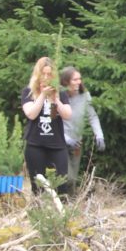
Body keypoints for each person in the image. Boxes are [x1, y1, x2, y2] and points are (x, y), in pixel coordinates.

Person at [21, 57, 72, 194]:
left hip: (57, 145)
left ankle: (61, 213)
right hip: (35, 145)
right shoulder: (29, 92)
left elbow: (67, 114)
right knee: (38, 187)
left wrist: (55, 99)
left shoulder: (60, 93)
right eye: (43, 74)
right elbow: (31, 114)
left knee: (61, 185)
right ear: (37, 75)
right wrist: (42, 96)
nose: (45, 77)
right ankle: (39, 212)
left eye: (49, 74)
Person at [60, 66, 105, 183]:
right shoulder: (58, 96)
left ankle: (72, 201)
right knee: (66, 177)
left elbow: (92, 116)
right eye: (75, 79)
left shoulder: (85, 95)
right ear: (65, 81)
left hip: (77, 143)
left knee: (72, 180)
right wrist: (67, 139)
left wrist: (99, 135)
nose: (78, 82)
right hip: (60, 142)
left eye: (79, 79)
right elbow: (54, 122)